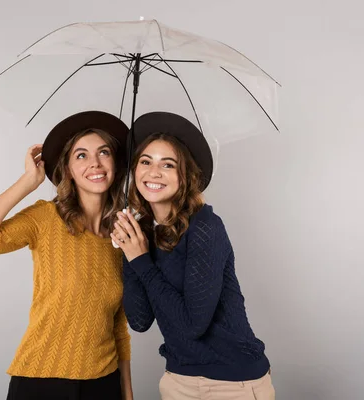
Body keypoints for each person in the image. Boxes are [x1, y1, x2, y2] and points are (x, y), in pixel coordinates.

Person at [0, 111, 133, 400]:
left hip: (104, 384)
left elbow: (118, 327)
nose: (95, 164)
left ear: (116, 163)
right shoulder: (46, 217)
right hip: (41, 381)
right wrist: (28, 181)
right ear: (68, 169)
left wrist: (127, 393)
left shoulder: (123, 235)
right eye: (81, 156)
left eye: (104, 152)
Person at [112, 112, 274, 400]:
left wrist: (140, 261)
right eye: (145, 161)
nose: (154, 172)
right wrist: (129, 247)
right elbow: (139, 320)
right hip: (178, 381)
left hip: (233, 383)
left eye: (168, 164)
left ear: (185, 176)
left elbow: (192, 326)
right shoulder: (144, 234)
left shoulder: (205, 227)